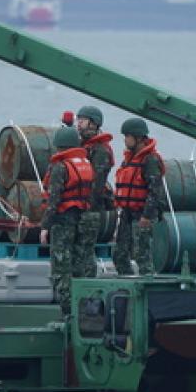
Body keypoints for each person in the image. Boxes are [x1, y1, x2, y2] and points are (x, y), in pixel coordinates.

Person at [39, 126, 94, 316]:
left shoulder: (60, 167)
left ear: (59, 146)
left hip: (62, 222)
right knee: (80, 266)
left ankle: (68, 313)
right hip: (82, 219)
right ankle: (84, 310)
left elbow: (53, 201)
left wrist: (44, 226)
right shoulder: (85, 163)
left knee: (61, 269)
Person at [112, 118, 165, 276]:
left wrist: (147, 216)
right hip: (127, 215)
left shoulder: (150, 160)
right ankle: (127, 286)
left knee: (143, 256)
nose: (125, 139)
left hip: (142, 215)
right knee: (119, 255)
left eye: (127, 136)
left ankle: (147, 287)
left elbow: (155, 190)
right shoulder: (129, 159)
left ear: (138, 138)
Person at [72, 105, 114, 279]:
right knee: (75, 251)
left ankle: (88, 290)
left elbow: (97, 184)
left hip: (90, 209)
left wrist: (87, 207)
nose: (78, 124)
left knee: (86, 252)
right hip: (77, 207)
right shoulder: (81, 146)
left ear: (93, 123)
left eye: (82, 121)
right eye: (78, 120)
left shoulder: (100, 150)